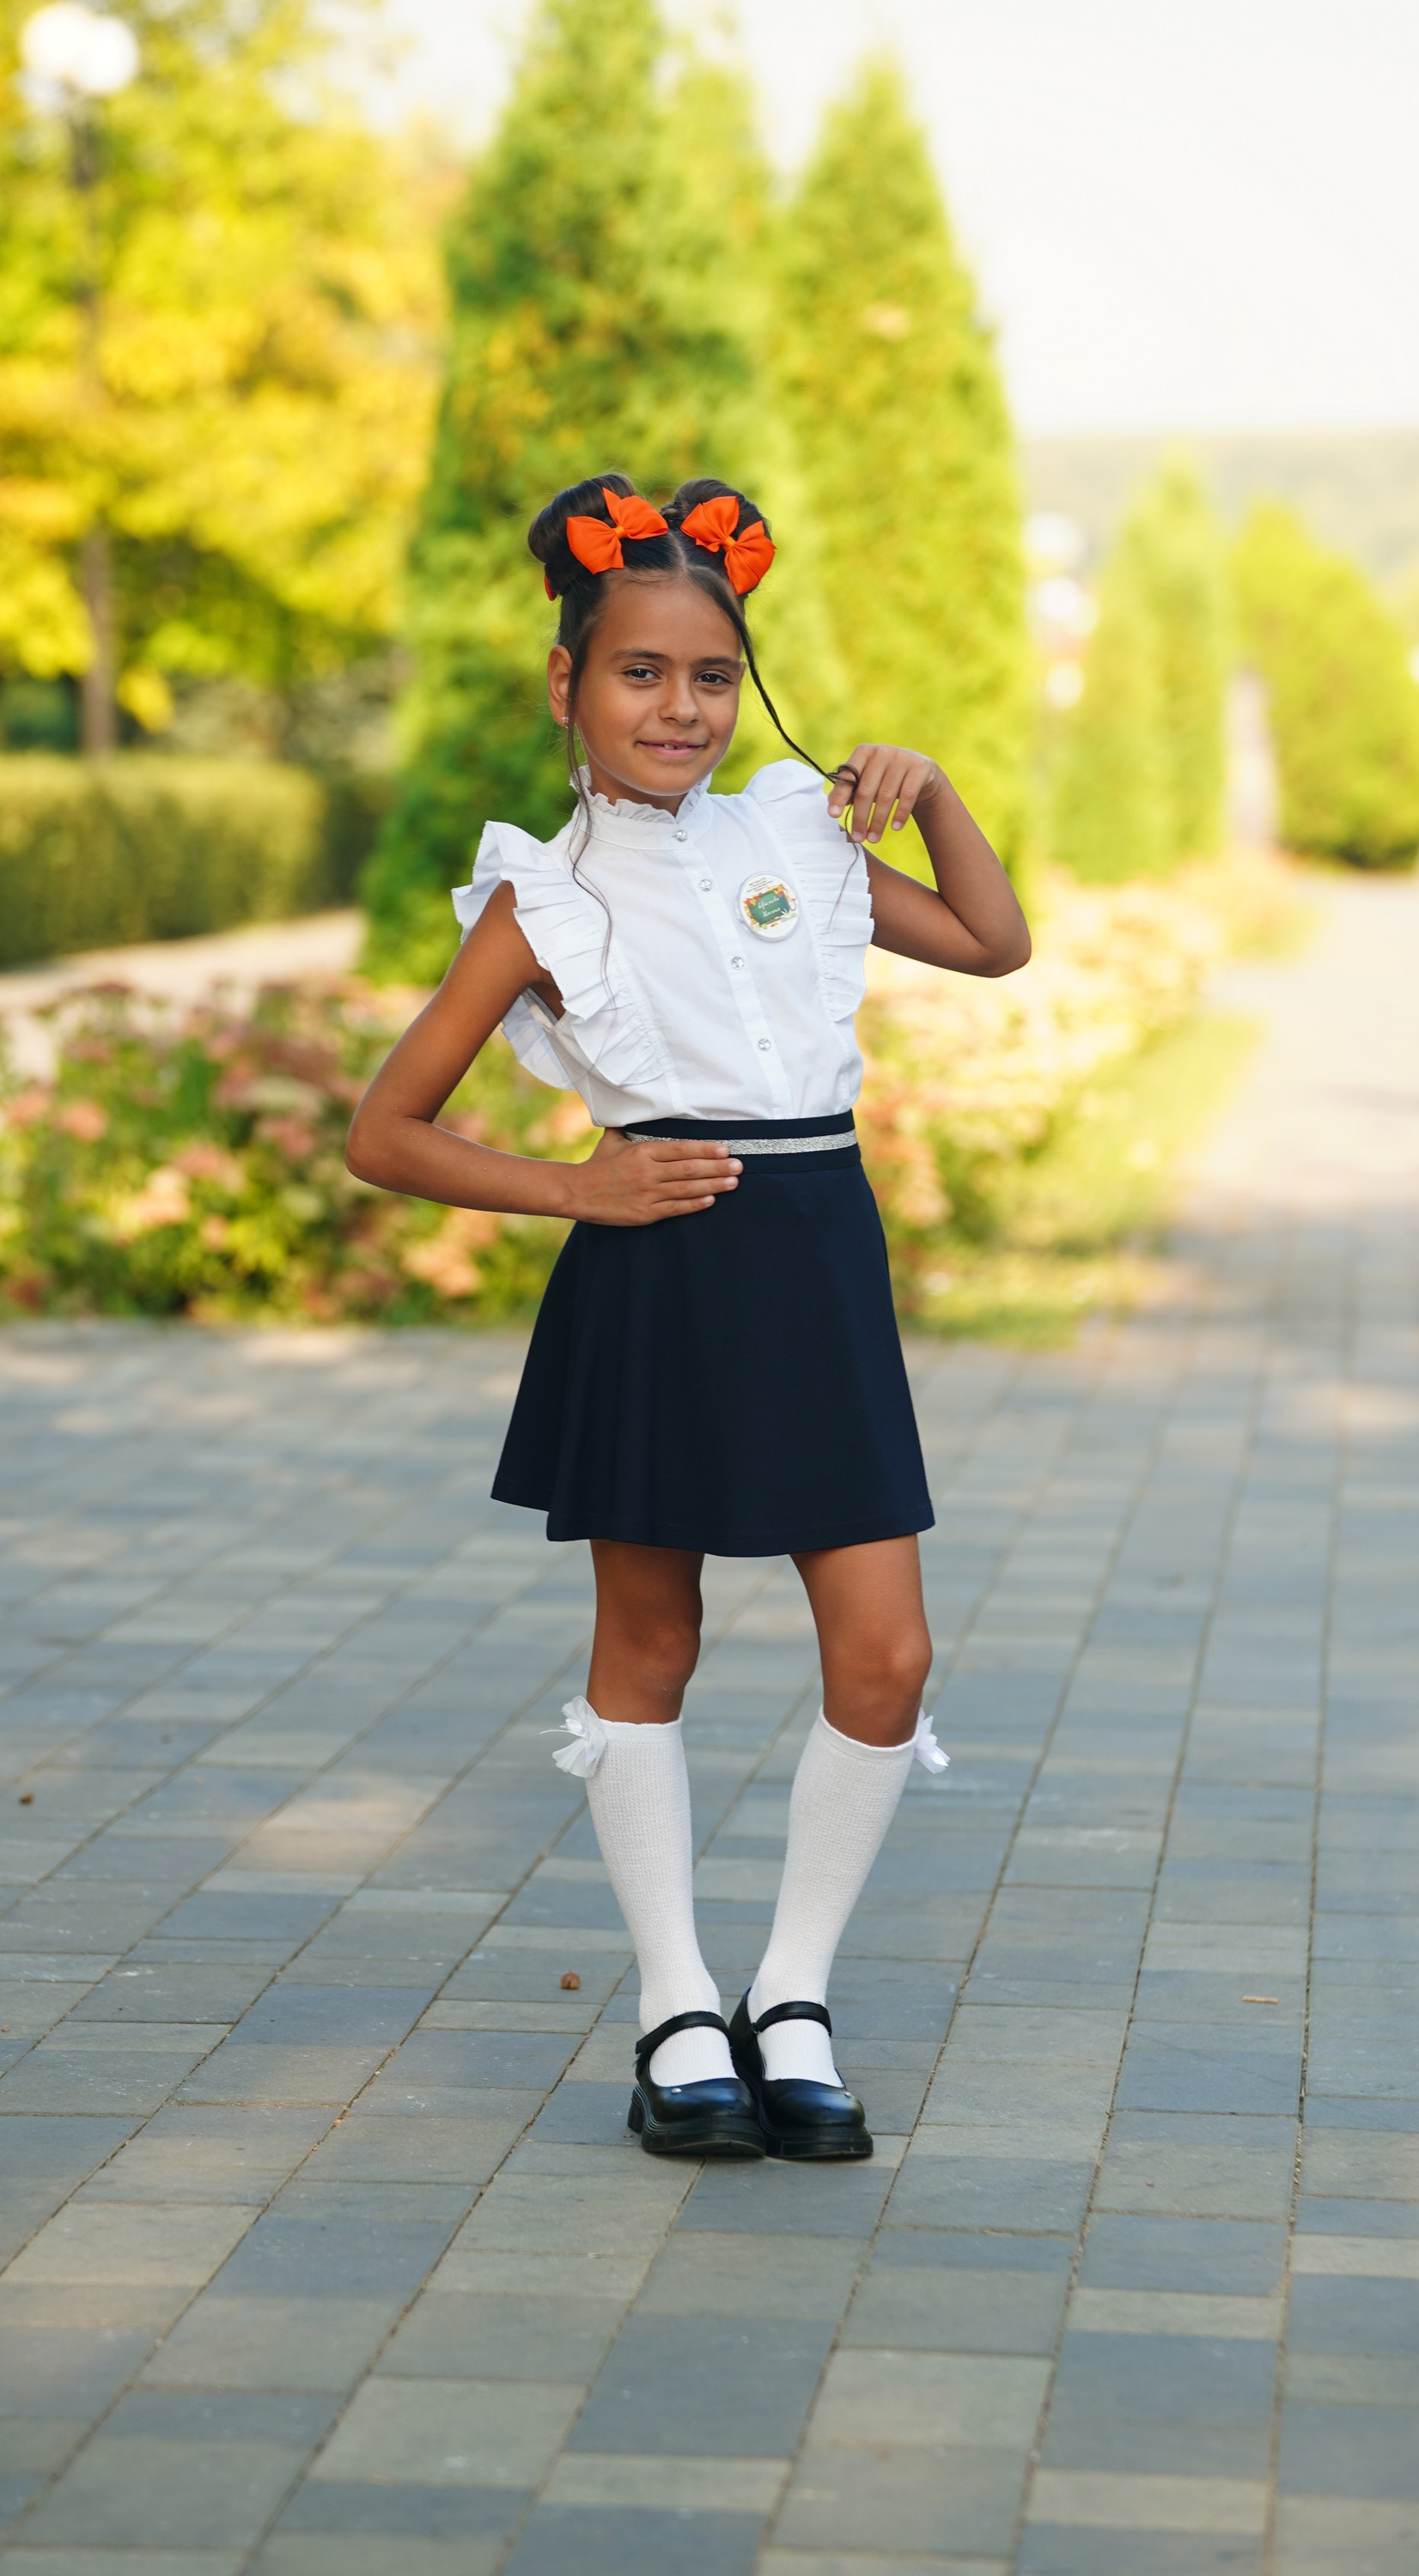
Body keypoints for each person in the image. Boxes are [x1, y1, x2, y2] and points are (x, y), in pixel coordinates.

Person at [346, 471, 1030, 2160]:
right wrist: (579, 1188)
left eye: (710, 676)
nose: (680, 707)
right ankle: (674, 2007)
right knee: (651, 1643)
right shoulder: (541, 901)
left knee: (886, 1651)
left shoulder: (799, 829)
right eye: (640, 673)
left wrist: (929, 793)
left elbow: (995, 942)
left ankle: (788, 1995)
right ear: (567, 686)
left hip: (817, 1258)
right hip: (657, 1269)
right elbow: (388, 1130)